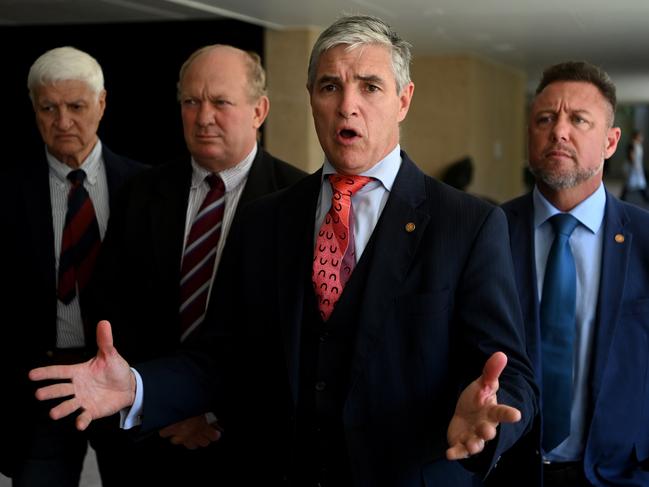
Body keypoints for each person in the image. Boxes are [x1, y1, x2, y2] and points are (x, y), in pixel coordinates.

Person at [30, 16, 538, 485]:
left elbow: (509, 371)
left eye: (370, 87)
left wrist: (490, 416)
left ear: (403, 101)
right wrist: (139, 386)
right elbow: (220, 357)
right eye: (330, 86)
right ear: (311, 97)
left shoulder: (467, 224)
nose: (347, 105)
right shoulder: (266, 219)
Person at [84, 44, 305, 484]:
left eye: (220, 102)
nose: (203, 117)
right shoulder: (140, 192)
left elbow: (294, 337)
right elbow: (108, 302)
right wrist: (160, 401)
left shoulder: (300, 201)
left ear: (259, 110)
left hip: (250, 443)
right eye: (191, 101)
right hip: (147, 438)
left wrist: (212, 410)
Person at [490, 61, 649, 486]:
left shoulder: (645, 239)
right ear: (529, 135)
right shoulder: (488, 234)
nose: (559, 131)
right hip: (509, 473)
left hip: (623, 474)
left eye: (579, 119)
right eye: (545, 119)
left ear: (612, 142)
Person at [0, 46, 145, 486]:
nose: (63, 121)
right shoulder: (6, 189)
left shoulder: (145, 186)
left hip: (121, 380)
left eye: (77, 106)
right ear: (34, 108)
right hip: (39, 385)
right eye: (49, 108)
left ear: (101, 104)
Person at [621, 129, 649, 206]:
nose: (641, 138)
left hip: (637, 167)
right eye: (640, 136)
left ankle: (645, 197)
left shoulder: (638, 145)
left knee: (640, 183)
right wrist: (635, 165)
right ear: (636, 136)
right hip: (633, 167)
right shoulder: (632, 145)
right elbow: (631, 156)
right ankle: (622, 197)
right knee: (630, 183)